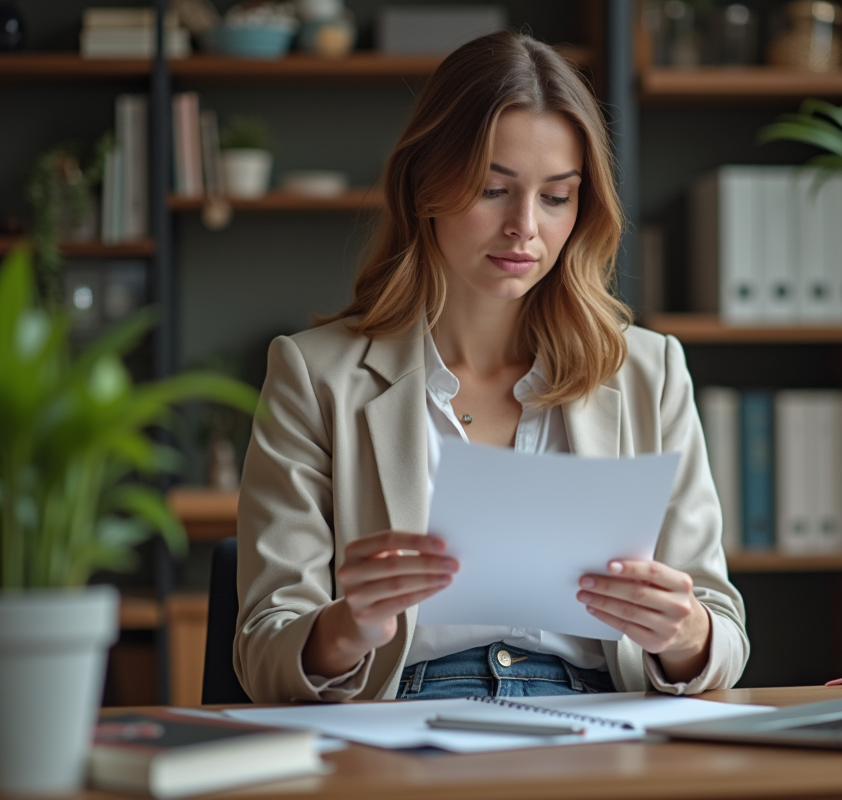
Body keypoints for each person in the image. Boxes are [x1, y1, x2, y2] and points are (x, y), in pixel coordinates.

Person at [233, 31, 748, 703]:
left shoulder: (649, 371)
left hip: (599, 713)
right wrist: (346, 629)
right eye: (493, 189)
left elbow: (724, 632)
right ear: (425, 186)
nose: (524, 227)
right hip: (401, 711)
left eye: (556, 197)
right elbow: (264, 647)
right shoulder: (314, 374)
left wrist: (684, 632)